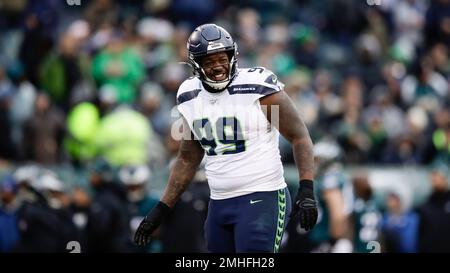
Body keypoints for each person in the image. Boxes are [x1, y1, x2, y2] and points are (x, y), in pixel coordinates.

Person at [134, 23, 317, 253]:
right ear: (195, 64)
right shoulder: (188, 95)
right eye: (209, 61)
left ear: (233, 56)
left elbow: (299, 136)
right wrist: (163, 208)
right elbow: (188, 158)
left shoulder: (257, 86)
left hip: (263, 196)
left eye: (222, 58)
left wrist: (307, 188)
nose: (218, 66)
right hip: (219, 202)